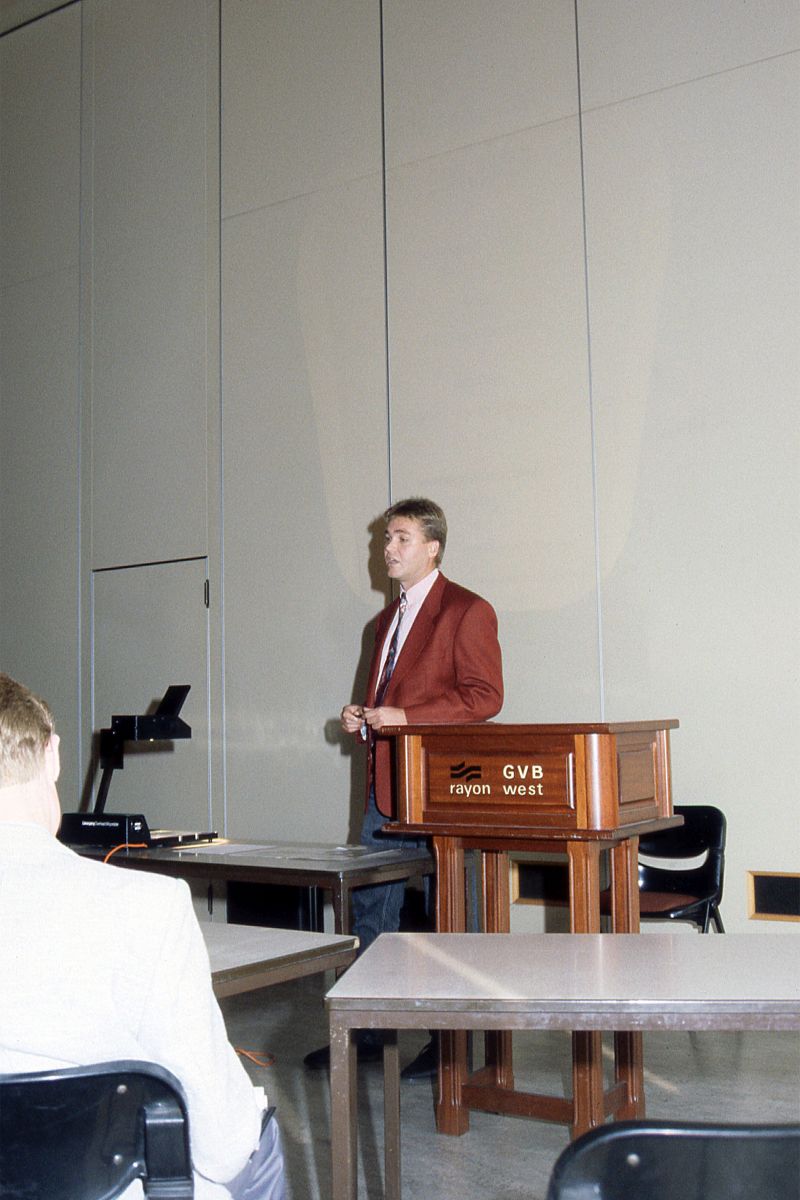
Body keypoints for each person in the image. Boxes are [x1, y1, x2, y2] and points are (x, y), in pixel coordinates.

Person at [0, 673, 286, 1200]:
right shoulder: (150, 907)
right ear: (52, 754)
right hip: (108, 1185)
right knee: (255, 1141)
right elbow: (222, 1147)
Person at [305, 497, 503, 1076]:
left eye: (400, 538)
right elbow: (393, 699)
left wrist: (406, 718)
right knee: (371, 910)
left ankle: (452, 1045)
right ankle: (369, 1033)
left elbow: (485, 697)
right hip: (385, 790)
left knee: (449, 916)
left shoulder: (467, 610)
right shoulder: (384, 622)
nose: (386, 549)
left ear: (432, 547)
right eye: (385, 539)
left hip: (442, 792)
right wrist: (364, 715)